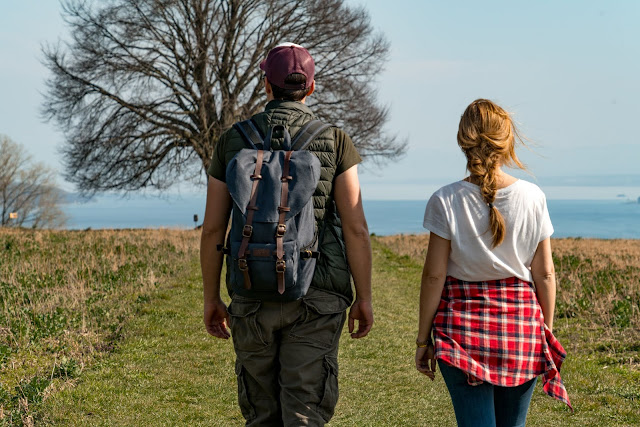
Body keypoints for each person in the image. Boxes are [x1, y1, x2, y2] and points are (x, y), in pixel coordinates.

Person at [200, 43, 373, 426]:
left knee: (261, 415)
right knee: (304, 414)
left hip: (251, 290)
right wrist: (364, 297)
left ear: (266, 85)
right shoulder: (335, 140)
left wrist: (212, 296)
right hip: (319, 294)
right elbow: (356, 228)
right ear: (310, 88)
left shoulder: (232, 140)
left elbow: (213, 227)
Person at [415, 99, 572, 426]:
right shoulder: (533, 197)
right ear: (508, 141)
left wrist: (422, 339)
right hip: (521, 333)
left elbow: (433, 277)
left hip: (461, 333)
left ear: (463, 141)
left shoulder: (445, 199)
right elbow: (544, 273)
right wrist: (545, 330)